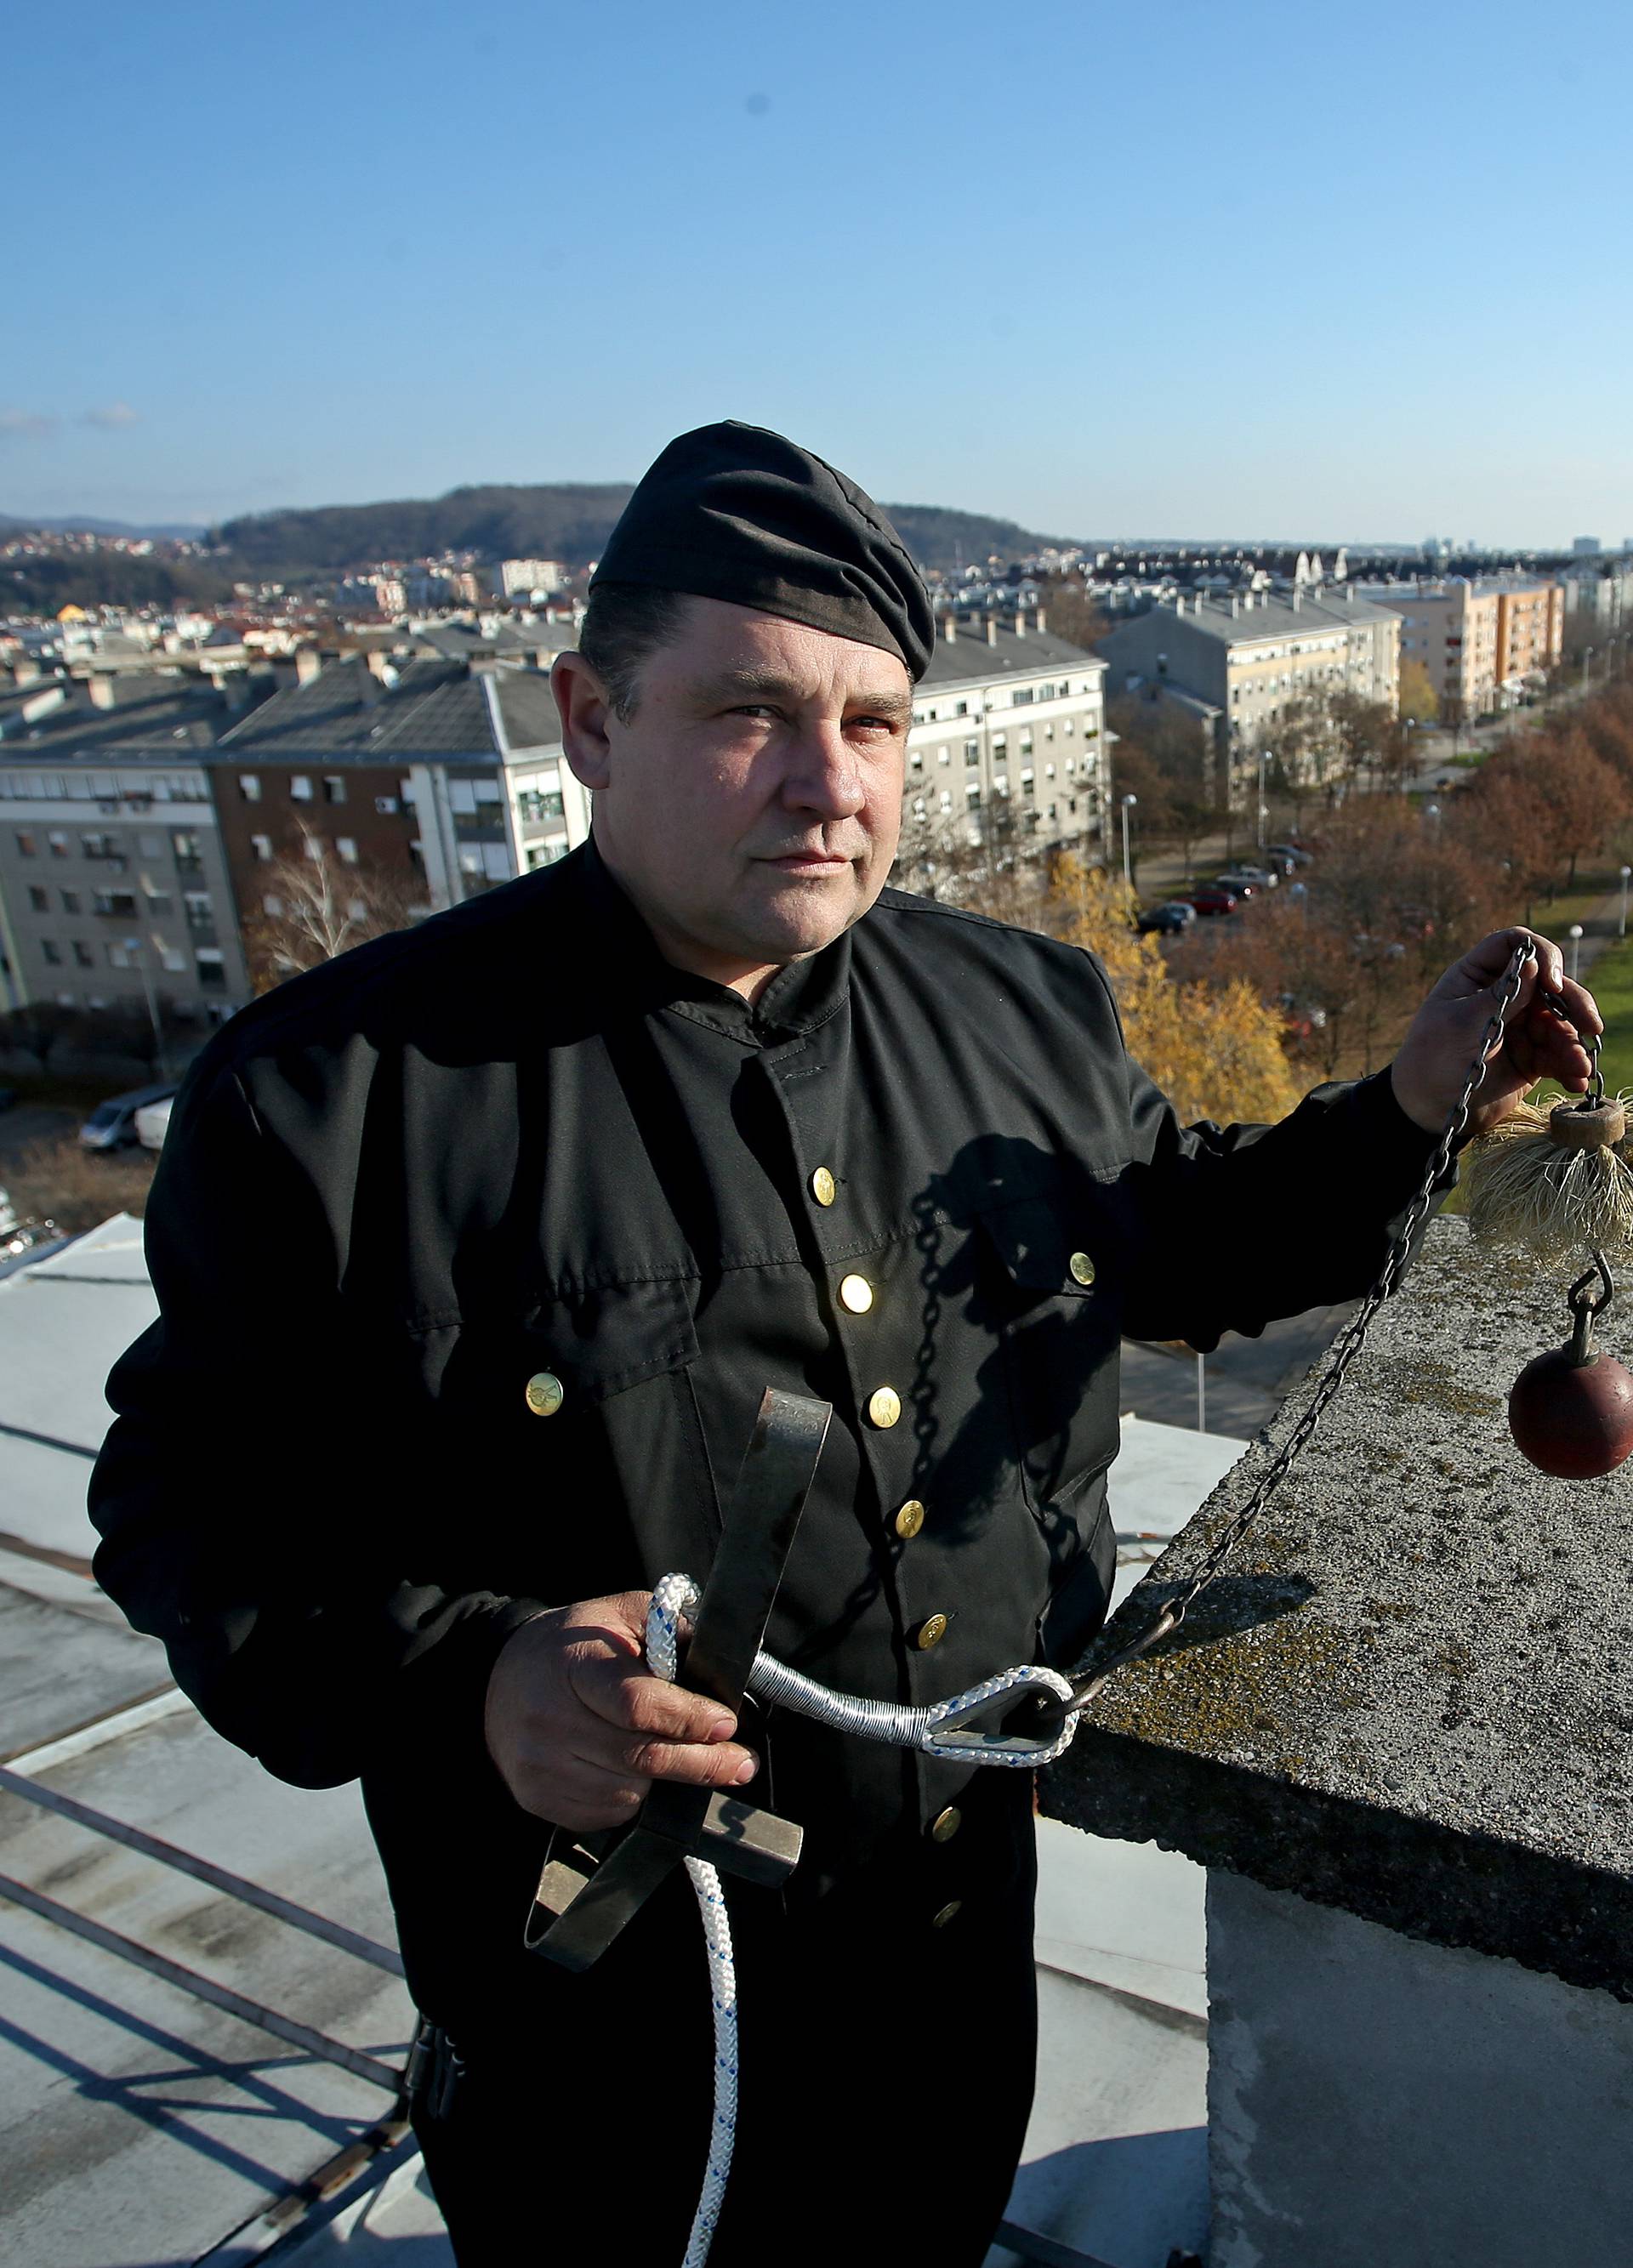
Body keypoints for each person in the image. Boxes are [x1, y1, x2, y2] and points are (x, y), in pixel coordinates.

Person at [89, 422, 1601, 2265]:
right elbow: (191, 1509)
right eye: (749, 712)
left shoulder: (1016, 1003)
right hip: (607, 2013)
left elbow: (1179, 1244)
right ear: (587, 720)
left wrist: (1408, 1103)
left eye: (873, 723)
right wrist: (468, 1678)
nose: (828, 783)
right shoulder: (338, 1101)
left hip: (950, 1950)